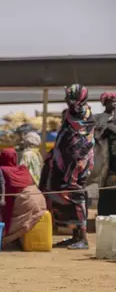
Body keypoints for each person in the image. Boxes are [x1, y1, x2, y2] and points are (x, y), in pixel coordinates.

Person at [40, 84, 94, 250]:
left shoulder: (85, 115)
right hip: (65, 163)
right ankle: (74, 235)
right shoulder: (71, 114)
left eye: (70, 98)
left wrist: (74, 163)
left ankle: (83, 238)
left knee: (76, 197)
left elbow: (82, 143)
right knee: (65, 197)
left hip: (78, 164)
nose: (67, 101)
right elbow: (64, 137)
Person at [0, 148, 47, 245]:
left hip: (26, 201)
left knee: (10, 219)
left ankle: (2, 239)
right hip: (40, 199)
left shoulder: (2, 170)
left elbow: (7, 196)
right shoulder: (23, 168)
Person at [95, 92, 116, 216]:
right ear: (105, 103)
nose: (113, 102)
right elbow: (98, 135)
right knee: (105, 190)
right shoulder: (99, 118)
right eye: (110, 100)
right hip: (104, 159)